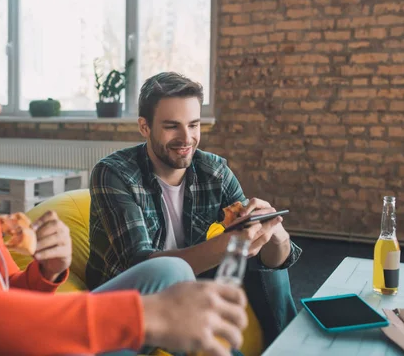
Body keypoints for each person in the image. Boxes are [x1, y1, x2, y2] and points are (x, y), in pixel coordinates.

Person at [0, 14, 248, 356]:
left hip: (14, 339)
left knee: (170, 274)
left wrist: (44, 273)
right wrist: (139, 316)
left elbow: (6, 293)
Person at [86, 72, 302, 349]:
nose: (186, 138)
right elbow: (142, 264)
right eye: (171, 126)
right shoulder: (113, 173)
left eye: (194, 125)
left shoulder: (214, 171)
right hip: (132, 293)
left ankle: (288, 348)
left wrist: (275, 235)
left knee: (258, 257)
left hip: (191, 275)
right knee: (211, 256)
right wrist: (230, 244)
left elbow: (276, 259)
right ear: (144, 127)